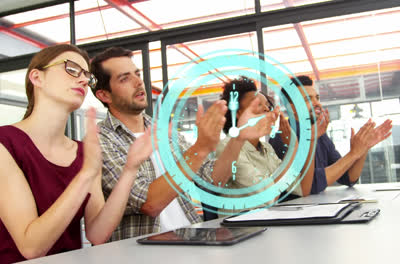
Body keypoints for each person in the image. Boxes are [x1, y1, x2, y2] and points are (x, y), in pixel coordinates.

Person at [90, 48, 275, 240]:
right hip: (145, 253)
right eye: (124, 78)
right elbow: (149, 203)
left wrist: (239, 138)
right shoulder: (101, 140)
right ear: (104, 95)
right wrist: (199, 148)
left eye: (137, 74)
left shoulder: (162, 130)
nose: (139, 82)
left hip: (192, 239)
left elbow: (215, 179)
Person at [0, 44, 154, 263]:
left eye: (87, 76)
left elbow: (98, 233)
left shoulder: (83, 152)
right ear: (37, 77)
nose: (83, 80)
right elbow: (31, 247)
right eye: (71, 69)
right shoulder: (5, 144)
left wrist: (130, 168)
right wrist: (85, 175)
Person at [269, 75, 393, 194]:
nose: (317, 103)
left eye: (317, 98)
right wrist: (353, 154)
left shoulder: (321, 135)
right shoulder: (283, 138)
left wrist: (363, 148)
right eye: (308, 99)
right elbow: (309, 185)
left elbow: (347, 177)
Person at [215, 77, 316, 214]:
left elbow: (296, 187)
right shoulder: (227, 148)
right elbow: (268, 195)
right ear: (238, 113)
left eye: (267, 105)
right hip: (240, 229)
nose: (267, 109)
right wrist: (293, 149)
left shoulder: (266, 148)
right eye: (257, 104)